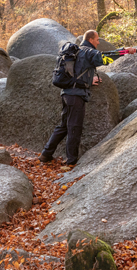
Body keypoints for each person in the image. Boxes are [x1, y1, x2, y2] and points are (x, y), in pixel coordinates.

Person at [39, 30, 110, 168]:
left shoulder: (77, 52)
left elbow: (77, 73)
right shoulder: (88, 52)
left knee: (64, 126)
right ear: (91, 39)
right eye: (97, 40)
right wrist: (125, 51)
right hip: (76, 96)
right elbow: (105, 59)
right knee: (74, 127)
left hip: (66, 93)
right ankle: (71, 161)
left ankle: (46, 154)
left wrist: (89, 80)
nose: (98, 42)